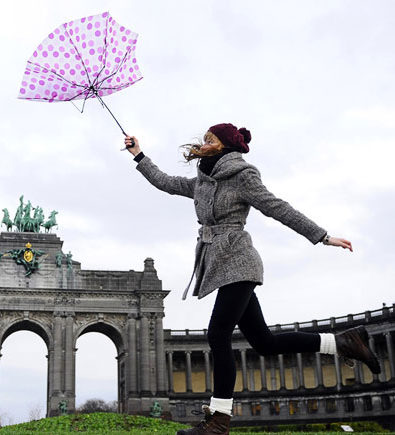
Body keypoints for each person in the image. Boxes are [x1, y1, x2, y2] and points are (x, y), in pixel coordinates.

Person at [123, 124, 381, 435]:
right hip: (220, 264)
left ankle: (218, 421)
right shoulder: (203, 182)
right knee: (263, 342)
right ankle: (341, 342)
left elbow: (277, 207)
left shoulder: (242, 176)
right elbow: (165, 182)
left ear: (224, 146)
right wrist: (139, 155)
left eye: (210, 139)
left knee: (217, 335)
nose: (203, 143)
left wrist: (323, 236)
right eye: (203, 139)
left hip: (239, 261)